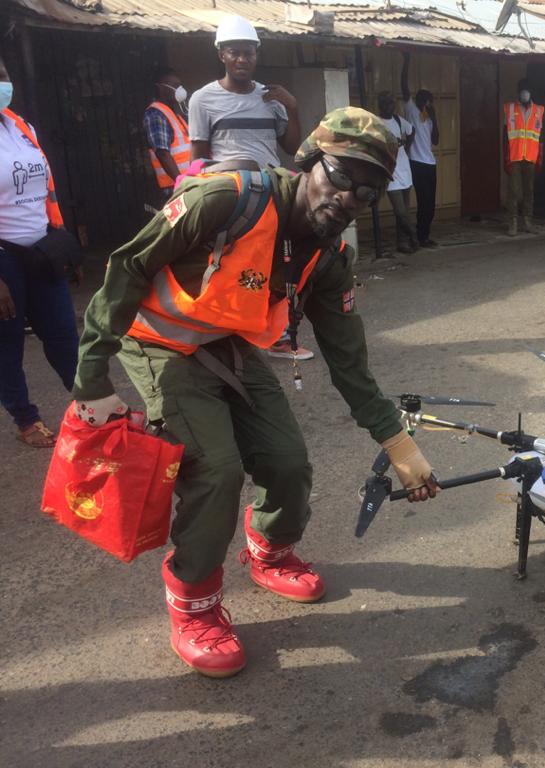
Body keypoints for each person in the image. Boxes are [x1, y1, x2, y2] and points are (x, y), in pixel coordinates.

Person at [71, 108, 441, 676]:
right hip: (159, 344)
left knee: (288, 461)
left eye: (366, 192)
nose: (347, 197)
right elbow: (127, 269)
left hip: (229, 348)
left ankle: (269, 548)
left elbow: (349, 362)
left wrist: (400, 447)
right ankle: (193, 604)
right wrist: (91, 381)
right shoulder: (224, 200)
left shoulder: (329, 256)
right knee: (215, 468)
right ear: (311, 161)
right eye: (340, 175)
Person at [188, 15, 311, 361]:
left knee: (279, 264)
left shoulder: (270, 97)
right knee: (235, 265)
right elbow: (198, 159)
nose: (243, 60)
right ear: (222, 55)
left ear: (257, 55)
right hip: (233, 195)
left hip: (273, 190)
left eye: (249, 53)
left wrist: (293, 107)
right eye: (235, 53)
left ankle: (279, 335)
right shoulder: (203, 99)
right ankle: (230, 331)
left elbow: (291, 146)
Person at [0, 54, 79, 447]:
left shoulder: (21, 127)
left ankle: (89, 402)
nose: (2, 83)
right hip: (3, 257)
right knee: (7, 343)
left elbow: (46, 191)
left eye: (3, 74)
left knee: (64, 333)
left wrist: (61, 241)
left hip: (42, 248)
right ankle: (26, 419)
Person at [400, 52, 440, 249]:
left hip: (430, 163)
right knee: (423, 201)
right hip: (416, 162)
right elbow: (404, 88)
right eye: (426, 101)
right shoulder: (411, 110)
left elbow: (436, 141)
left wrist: (435, 117)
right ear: (419, 101)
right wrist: (406, 60)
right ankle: (418, 236)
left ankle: (424, 235)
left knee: (431, 204)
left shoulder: (429, 118)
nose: (428, 104)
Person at [377, 91, 417, 255]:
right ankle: (414, 236)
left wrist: (407, 146)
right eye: (386, 103)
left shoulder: (399, 120)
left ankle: (402, 242)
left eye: (392, 103)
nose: (389, 106)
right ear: (380, 105)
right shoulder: (376, 123)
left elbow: (411, 130)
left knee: (403, 213)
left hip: (404, 169)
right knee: (400, 211)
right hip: (390, 173)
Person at [503, 79, 544, 237]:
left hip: (531, 158)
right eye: (522, 90)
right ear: (518, 92)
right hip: (514, 156)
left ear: (531, 92)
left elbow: (541, 137)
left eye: (527, 90)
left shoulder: (539, 111)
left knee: (529, 191)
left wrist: (540, 157)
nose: (524, 93)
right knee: (514, 191)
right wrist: (505, 157)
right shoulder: (510, 109)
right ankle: (512, 222)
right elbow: (504, 134)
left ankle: (527, 221)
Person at [143, 68, 190, 202]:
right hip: (175, 187)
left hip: (189, 183)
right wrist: (181, 182)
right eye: (175, 86)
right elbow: (162, 152)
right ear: (161, 88)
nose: (180, 90)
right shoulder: (155, 114)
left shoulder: (176, 114)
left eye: (180, 85)